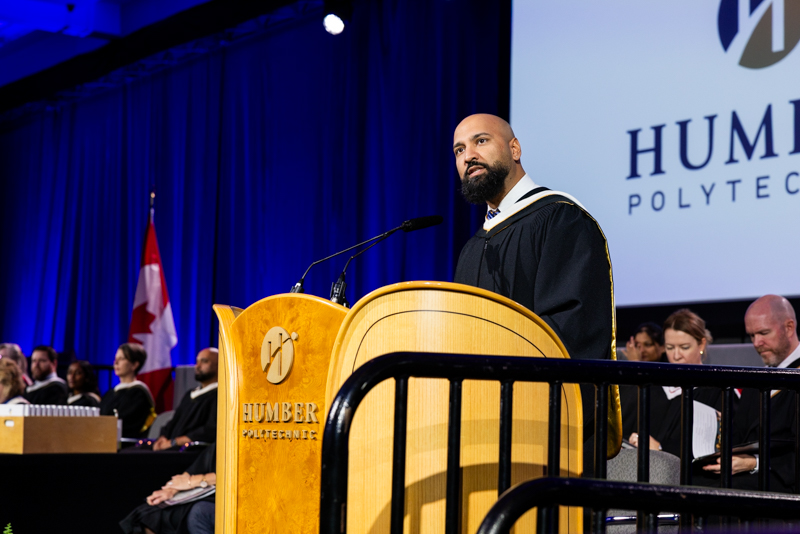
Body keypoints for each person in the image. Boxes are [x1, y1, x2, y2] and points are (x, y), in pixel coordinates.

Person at [451, 113, 619, 458]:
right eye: (458, 150)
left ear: (515, 148)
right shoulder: (472, 249)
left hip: (546, 430)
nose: (468, 156)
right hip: (479, 428)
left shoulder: (561, 218)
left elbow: (572, 330)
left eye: (481, 141)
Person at [700, 295, 800, 492]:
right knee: (692, 479)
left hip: (787, 481)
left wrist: (754, 463)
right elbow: (741, 438)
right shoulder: (755, 382)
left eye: (763, 333)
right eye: (752, 335)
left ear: (789, 327)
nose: (756, 343)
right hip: (752, 476)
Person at [626, 309, 721, 456]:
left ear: (701, 345)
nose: (676, 356)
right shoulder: (650, 388)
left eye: (684, 347)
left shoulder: (717, 391)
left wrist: (661, 449)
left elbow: (713, 450)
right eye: (670, 348)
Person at [120, 443, 216, 534]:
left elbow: (230, 477)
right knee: (150, 514)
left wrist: (194, 481)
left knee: (199, 512)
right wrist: (171, 489)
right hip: (207, 492)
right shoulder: (222, 440)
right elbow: (200, 465)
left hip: (223, 500)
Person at [152, 348, 219, 451]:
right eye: (197, 361)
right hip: (171, 447)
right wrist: (162, 439)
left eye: (204, 361)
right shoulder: (190, 394)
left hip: (193, 452)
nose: (198, 366)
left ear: (219, 366)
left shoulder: (219, 395)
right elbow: (174, 421)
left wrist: (176, 442)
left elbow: (211, 429)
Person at [100, 343, 156, 438]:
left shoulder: (139, 393)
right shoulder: (110, 393)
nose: (116, 362)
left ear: (134, 365)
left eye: (121, 359)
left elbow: (128, 424)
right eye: (116, 358)